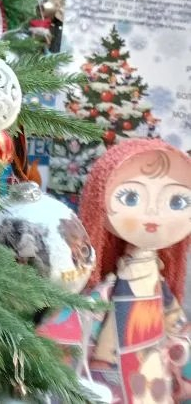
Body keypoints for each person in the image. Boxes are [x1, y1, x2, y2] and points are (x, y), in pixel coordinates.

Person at [78, 139, 191, 403]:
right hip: (111, 365)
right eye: (131, 197)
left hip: (151, 367)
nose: (153, 214)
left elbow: (172, 316)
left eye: (177, 201)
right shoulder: (114, 285)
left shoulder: (157, 282)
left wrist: (181, 340)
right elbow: (90, 310)